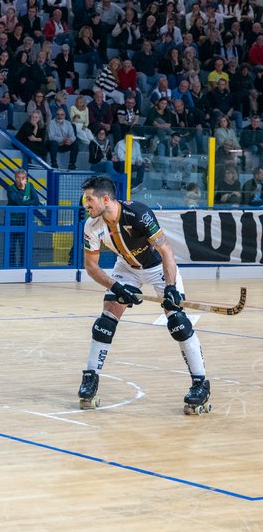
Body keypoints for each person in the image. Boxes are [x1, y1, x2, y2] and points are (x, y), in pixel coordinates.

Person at [77, 176, 212, 414]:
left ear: (105, 199)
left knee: (178, 323)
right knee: (105, 322)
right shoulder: (91, 225)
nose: (85, 204)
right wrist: (117, 288)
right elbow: (91, 267)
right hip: (126, 268)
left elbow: (166, 251)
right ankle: (90, 378)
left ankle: (200, 384)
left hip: (158, 268)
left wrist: (170, 288)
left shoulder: (138, 214)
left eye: (89, 199)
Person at [6, 168, 39, 267]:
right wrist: (23, 193)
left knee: (24, 246)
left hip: (25, 221)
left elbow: (36, 201)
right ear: (15, 178)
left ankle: (22, 267)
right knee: (11, 247)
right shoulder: (11, 189)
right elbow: (17, 201)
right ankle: (11, 268)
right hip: (12, 222)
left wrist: (23, 203)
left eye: (23, 178)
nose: (20, 180)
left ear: (26, 178)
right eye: (18, 178)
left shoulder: (30, 186)